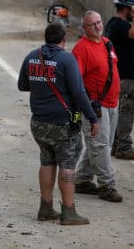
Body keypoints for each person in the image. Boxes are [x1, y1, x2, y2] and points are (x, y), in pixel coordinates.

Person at [19, 22, 100, 225]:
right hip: (62, 123)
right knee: (67, 164)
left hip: (38, 122)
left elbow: (22, 85)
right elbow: (79, 93)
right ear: (63, 39)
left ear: (46, 38)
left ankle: (45, 207)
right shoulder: (66, 59)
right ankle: (69, 211)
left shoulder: (31, 56)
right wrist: (92, 117)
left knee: (47, 161)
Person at [71, 10, 123, 203]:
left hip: (112, 103)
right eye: (92, 24)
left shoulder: (107, 43)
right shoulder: (81, 49)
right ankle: (107, 185)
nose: (97, 26)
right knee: (100, 145)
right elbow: (75, 81)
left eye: (99, 22)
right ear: (84, 27)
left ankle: (83, 178)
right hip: (95, 106)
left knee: (102, 145)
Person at [105, 0, 134, 161]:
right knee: (128, 110)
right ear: (128, 8)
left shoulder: (115, 24)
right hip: (127, 77)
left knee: (121, 110)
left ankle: (116, 143)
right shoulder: (119, 24)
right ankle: (123, 145)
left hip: (124, 75)